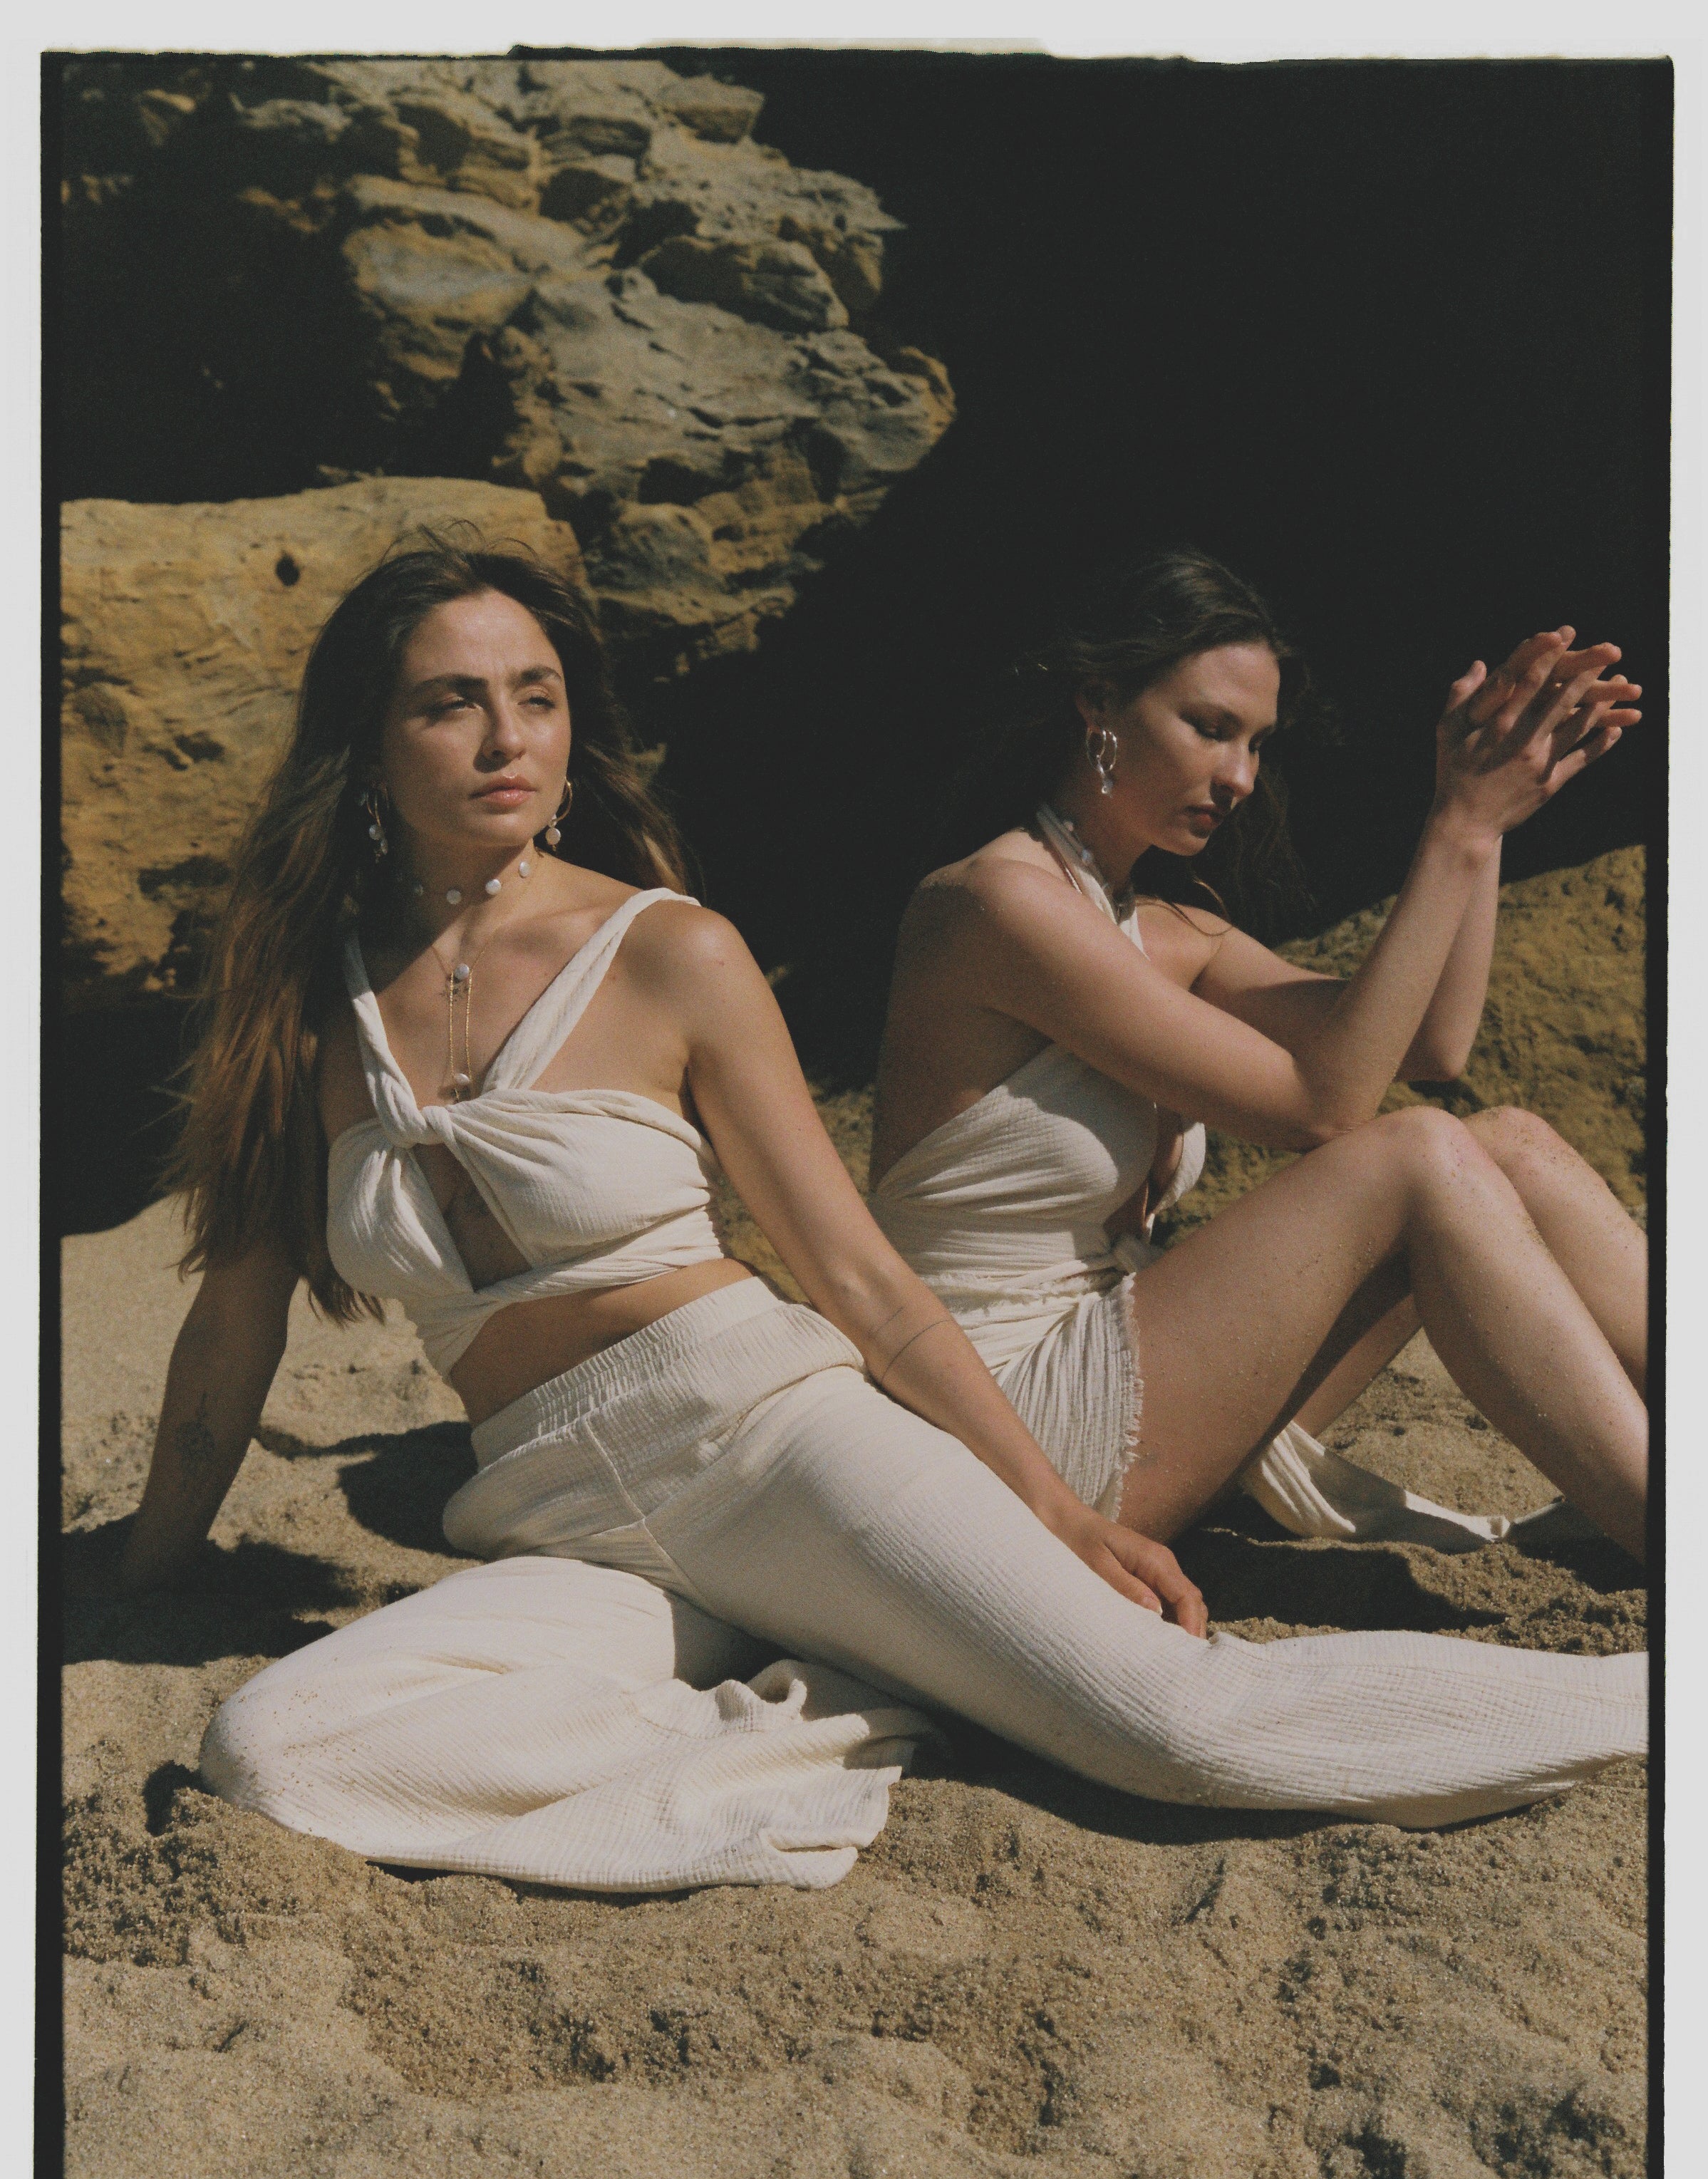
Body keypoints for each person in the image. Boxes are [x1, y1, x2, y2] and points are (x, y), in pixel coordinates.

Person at [118, 540, 1644, 1896]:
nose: (506, 737)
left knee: (1178, 1731)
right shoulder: (306, 1008)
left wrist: (1051, 1515)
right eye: (451, 703)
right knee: (275, 1745)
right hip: (556, 1511)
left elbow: (855, 1274)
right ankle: (813, 1690)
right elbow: (233, 1324)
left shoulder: (668, 950)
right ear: (367, 742)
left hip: (768, 1437)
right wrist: (138, 1578)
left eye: (536, 696)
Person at [868, 549, 1647, 1566]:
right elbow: (1324, 1108)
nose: (1239, 777)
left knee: (1511, 1146)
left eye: (1256, 743)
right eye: (1209, 727)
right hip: (998, 1417)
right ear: (1097, 703)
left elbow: (1431, 1043)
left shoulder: (1158, 927)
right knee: (1417, 1156)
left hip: (1138, 1368)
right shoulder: (993, 904)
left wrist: (1478, 814)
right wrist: (1458, 829)